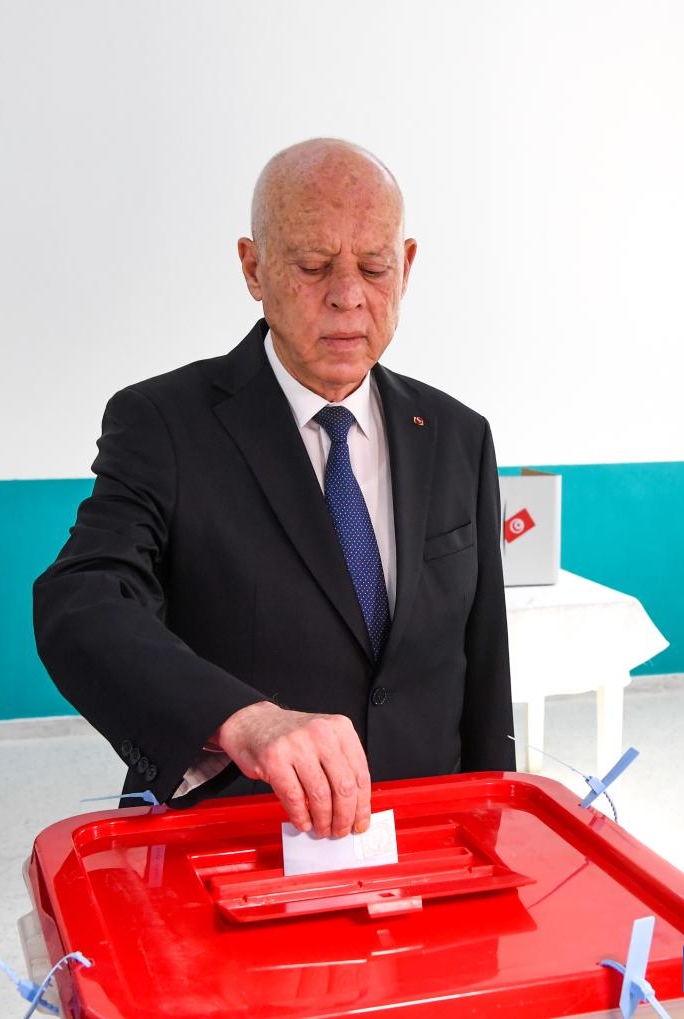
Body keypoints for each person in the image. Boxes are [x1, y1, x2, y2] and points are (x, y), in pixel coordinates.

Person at [33, 138, 515, 839]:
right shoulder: (164, 423)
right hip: (238, 846)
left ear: (406, 267)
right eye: (313, 265)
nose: (348, 294)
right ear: (253, 267)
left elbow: (483, 669)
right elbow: (81, 600)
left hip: (426, 841)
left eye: (374, 266)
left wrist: (489, 823)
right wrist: (242, 718)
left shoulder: (455, 434)